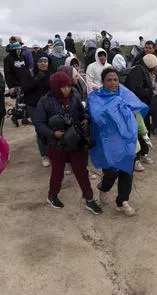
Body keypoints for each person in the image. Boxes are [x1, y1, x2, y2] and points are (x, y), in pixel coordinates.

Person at [32, 72, 102, 215]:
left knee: (82, 172)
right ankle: (52, 196)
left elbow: (83, 113)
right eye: (63, 87)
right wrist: (53, 133)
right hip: (57, 144)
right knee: (57, 173)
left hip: (75, 142)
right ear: (56, 87)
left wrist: (86, 119)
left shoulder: (74, 98)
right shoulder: (45, 101)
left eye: (69, 86)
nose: (66, 90)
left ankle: (89, 199)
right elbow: (39, 123)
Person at [88, 68, 150, 216]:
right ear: (103, 82)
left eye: (115, 79)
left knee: (127, 172)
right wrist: (111, 109)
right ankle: (104, 188)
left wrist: (144, 134)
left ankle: (122, 202)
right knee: (111, 173)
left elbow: (137, 114)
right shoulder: (95, 98)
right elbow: (96, 118)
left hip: (128, 141)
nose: (113, 82)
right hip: (109, 143)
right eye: (109, 80)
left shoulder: (125, 94)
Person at [124, 54, 157, 167]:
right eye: (154, 66)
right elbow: (134, 90)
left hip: (144, 106)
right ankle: (136, 159)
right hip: (137, 107)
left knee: (145, 129)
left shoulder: (145, 71)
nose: (155, 68)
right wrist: (149, 92)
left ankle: (144, 154)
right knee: (138, 132)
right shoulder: (138, 71)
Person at [22, 51, 52, 166]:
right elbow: (25, 88)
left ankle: (51, 152)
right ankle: (44, 155)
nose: (43, 64)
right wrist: (36, 79)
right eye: (40, 61)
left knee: (50, 128)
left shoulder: (51, 73)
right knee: (40, 129)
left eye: (45, 61)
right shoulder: (29, 73)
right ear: (36, 62)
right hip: (33, 106)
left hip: (48, 106)